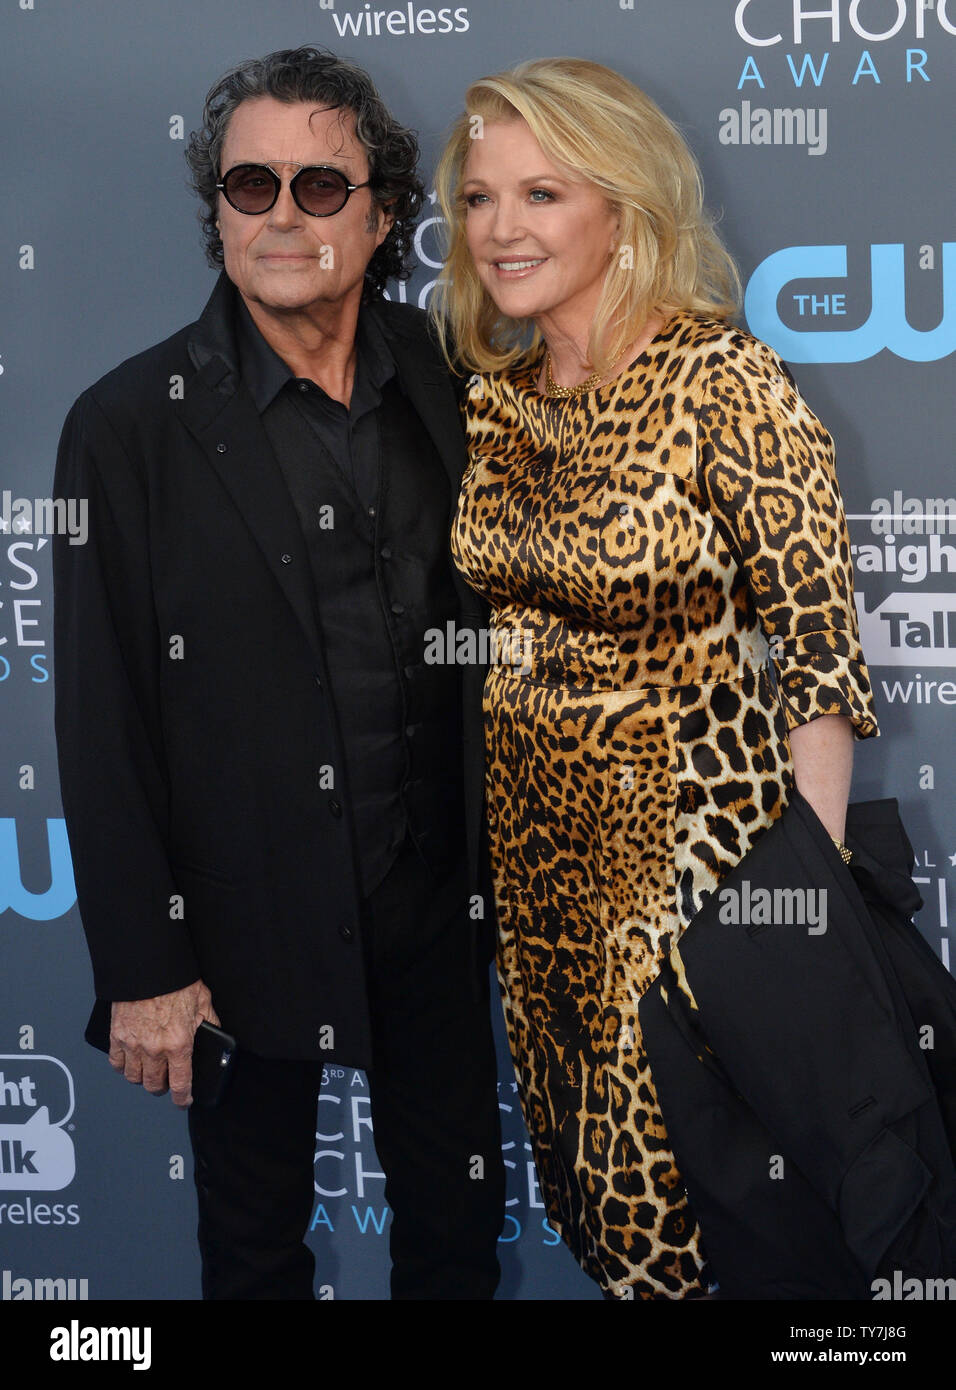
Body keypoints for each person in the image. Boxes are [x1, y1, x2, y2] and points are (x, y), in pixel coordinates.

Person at [52, 45, 503, 1301]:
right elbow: (101, 718)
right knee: (252, 1255)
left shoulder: (455, 382)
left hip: (436, 910)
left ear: (379, 215)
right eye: (251, 187)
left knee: (455, 1248)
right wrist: (145, 964)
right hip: (238, 922)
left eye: (320, 186)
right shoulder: (128, 422)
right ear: (217, 212)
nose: (284, 215)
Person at [431, 56, 878, 1299]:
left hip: (697, 890)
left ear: (621, 207)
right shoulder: (499, 403)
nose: (500, 230)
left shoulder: (718, 379)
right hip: (542, 892)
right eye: (477, 199)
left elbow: (817, 654)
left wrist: (801, 922)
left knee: (735, 1226)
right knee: (615, 1223)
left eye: (541, 194)